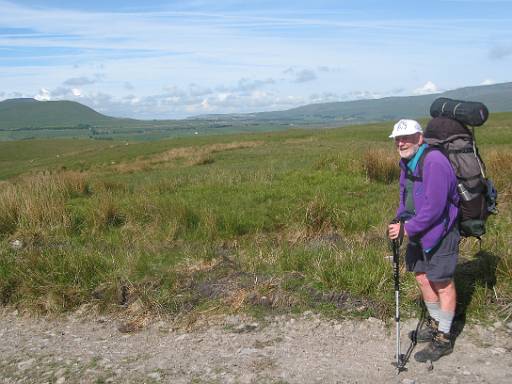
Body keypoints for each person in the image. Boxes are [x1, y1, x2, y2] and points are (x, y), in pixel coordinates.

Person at [387, 119, 460, 362]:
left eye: (406, 137)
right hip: (419, 231)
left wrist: (407, 229)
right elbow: (404, 196)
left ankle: (444, 337)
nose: (401, 142)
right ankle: (435, 322)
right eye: (397, 138)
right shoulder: (407, 162)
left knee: (442, 282)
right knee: (422, 277)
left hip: (441, 232)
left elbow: (436, 208)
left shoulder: (435, 162)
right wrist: (399, 219)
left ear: (420, 138)